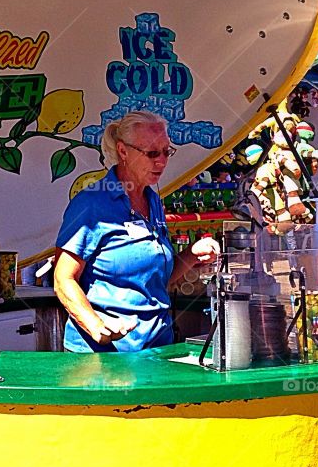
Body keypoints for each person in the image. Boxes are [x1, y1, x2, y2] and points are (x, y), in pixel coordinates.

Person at [54, 111, 218, 352]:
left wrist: (192, 254)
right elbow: (63, 279)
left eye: (166, 151)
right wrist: (96, 326)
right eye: (152, 153)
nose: (161, 161)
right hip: (105, 355)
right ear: (123, 151)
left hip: (156, 347)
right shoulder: (92, 203)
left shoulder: (152, 201)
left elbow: (155, 280)